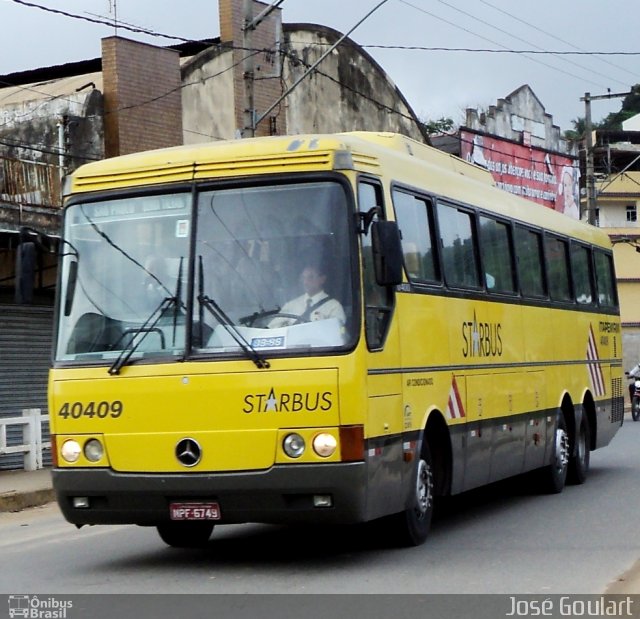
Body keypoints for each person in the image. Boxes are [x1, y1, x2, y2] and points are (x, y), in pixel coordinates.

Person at [269, 264, 345, 328]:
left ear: (322, 279)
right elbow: (272, 329)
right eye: (303, 278)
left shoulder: (333, 307)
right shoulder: (291, 305)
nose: (305, 282)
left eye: (311, 277)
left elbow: (337, 334)